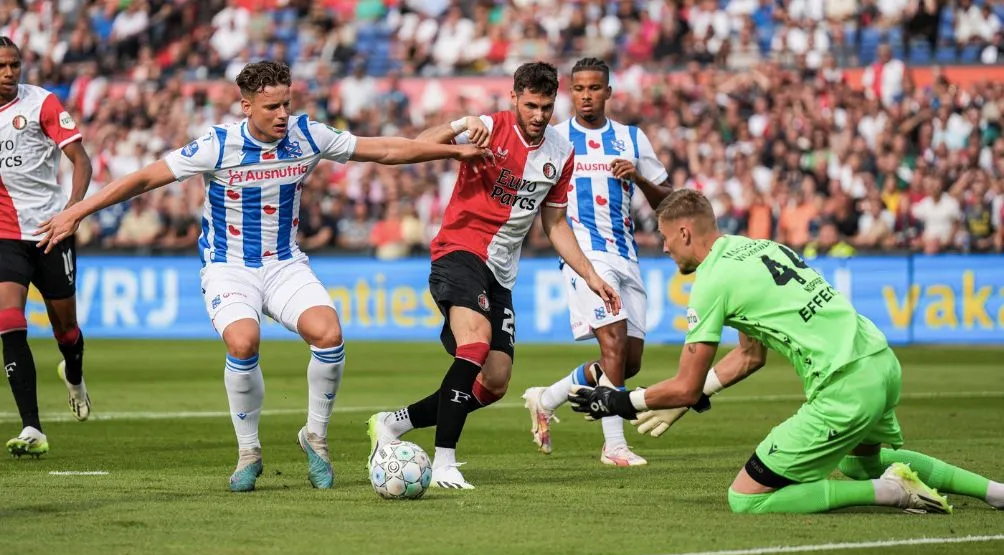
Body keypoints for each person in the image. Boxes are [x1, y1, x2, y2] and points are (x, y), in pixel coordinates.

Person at [36, 60, 491, 491]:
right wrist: (78, 211)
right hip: (228, 267)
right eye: (272, 106)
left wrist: (451, 148)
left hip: (284, 263)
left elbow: (388, 149)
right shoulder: (217, 145)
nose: (282, 114)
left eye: (286, 104)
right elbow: (143, 179)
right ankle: (249, 453)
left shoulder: (307, 134)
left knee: (329, 335)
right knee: (243, 342)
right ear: (246, 105)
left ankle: (315, 437)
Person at [567, 189, 1004, 514]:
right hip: (880, 362)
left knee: (745, 499)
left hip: (844, 386)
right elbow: (750, 356)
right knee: (859, 464)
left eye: (665, 238)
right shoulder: (758, 247)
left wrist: (620, 400)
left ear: (685, 231)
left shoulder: (711, 281)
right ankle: (995, 492)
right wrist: (695, 395)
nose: (662, 247)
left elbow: (684, 384)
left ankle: (890, 492)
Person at [366, 61, 621, 489]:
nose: (539, 115)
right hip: (459, 250)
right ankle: (444, 460)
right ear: (514, 99)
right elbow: (416, 146)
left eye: (546, 106)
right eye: (531, 105)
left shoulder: (561, 153)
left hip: (502, 272)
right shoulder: (488, 127)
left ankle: (393, 423)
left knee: (496, 381)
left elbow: (555, 224)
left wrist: (592, 276)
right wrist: (458, 126)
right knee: (476, 342)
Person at [522, 57, 671, 467]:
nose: (586, 96)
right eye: (579, 89)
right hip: (585, 257)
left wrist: (639, 177)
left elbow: (669, 200)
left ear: (608, 92)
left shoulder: (631, 139)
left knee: (628, 361)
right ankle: (614, 445)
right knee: (614, 343)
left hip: (626, 254)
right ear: (571, 92)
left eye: (594, 88)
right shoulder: (554, 138)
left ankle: (547, 398)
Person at [0, 37, 93, 458]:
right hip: (6, 237)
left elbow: (82, 160)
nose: (9, 72)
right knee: (9, 320)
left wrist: (72, 212)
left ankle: (73, 372)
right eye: (1, 65)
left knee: (66, 333)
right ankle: (32, 427)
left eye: (14, 64)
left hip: (52, 230)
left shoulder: (42, 104)